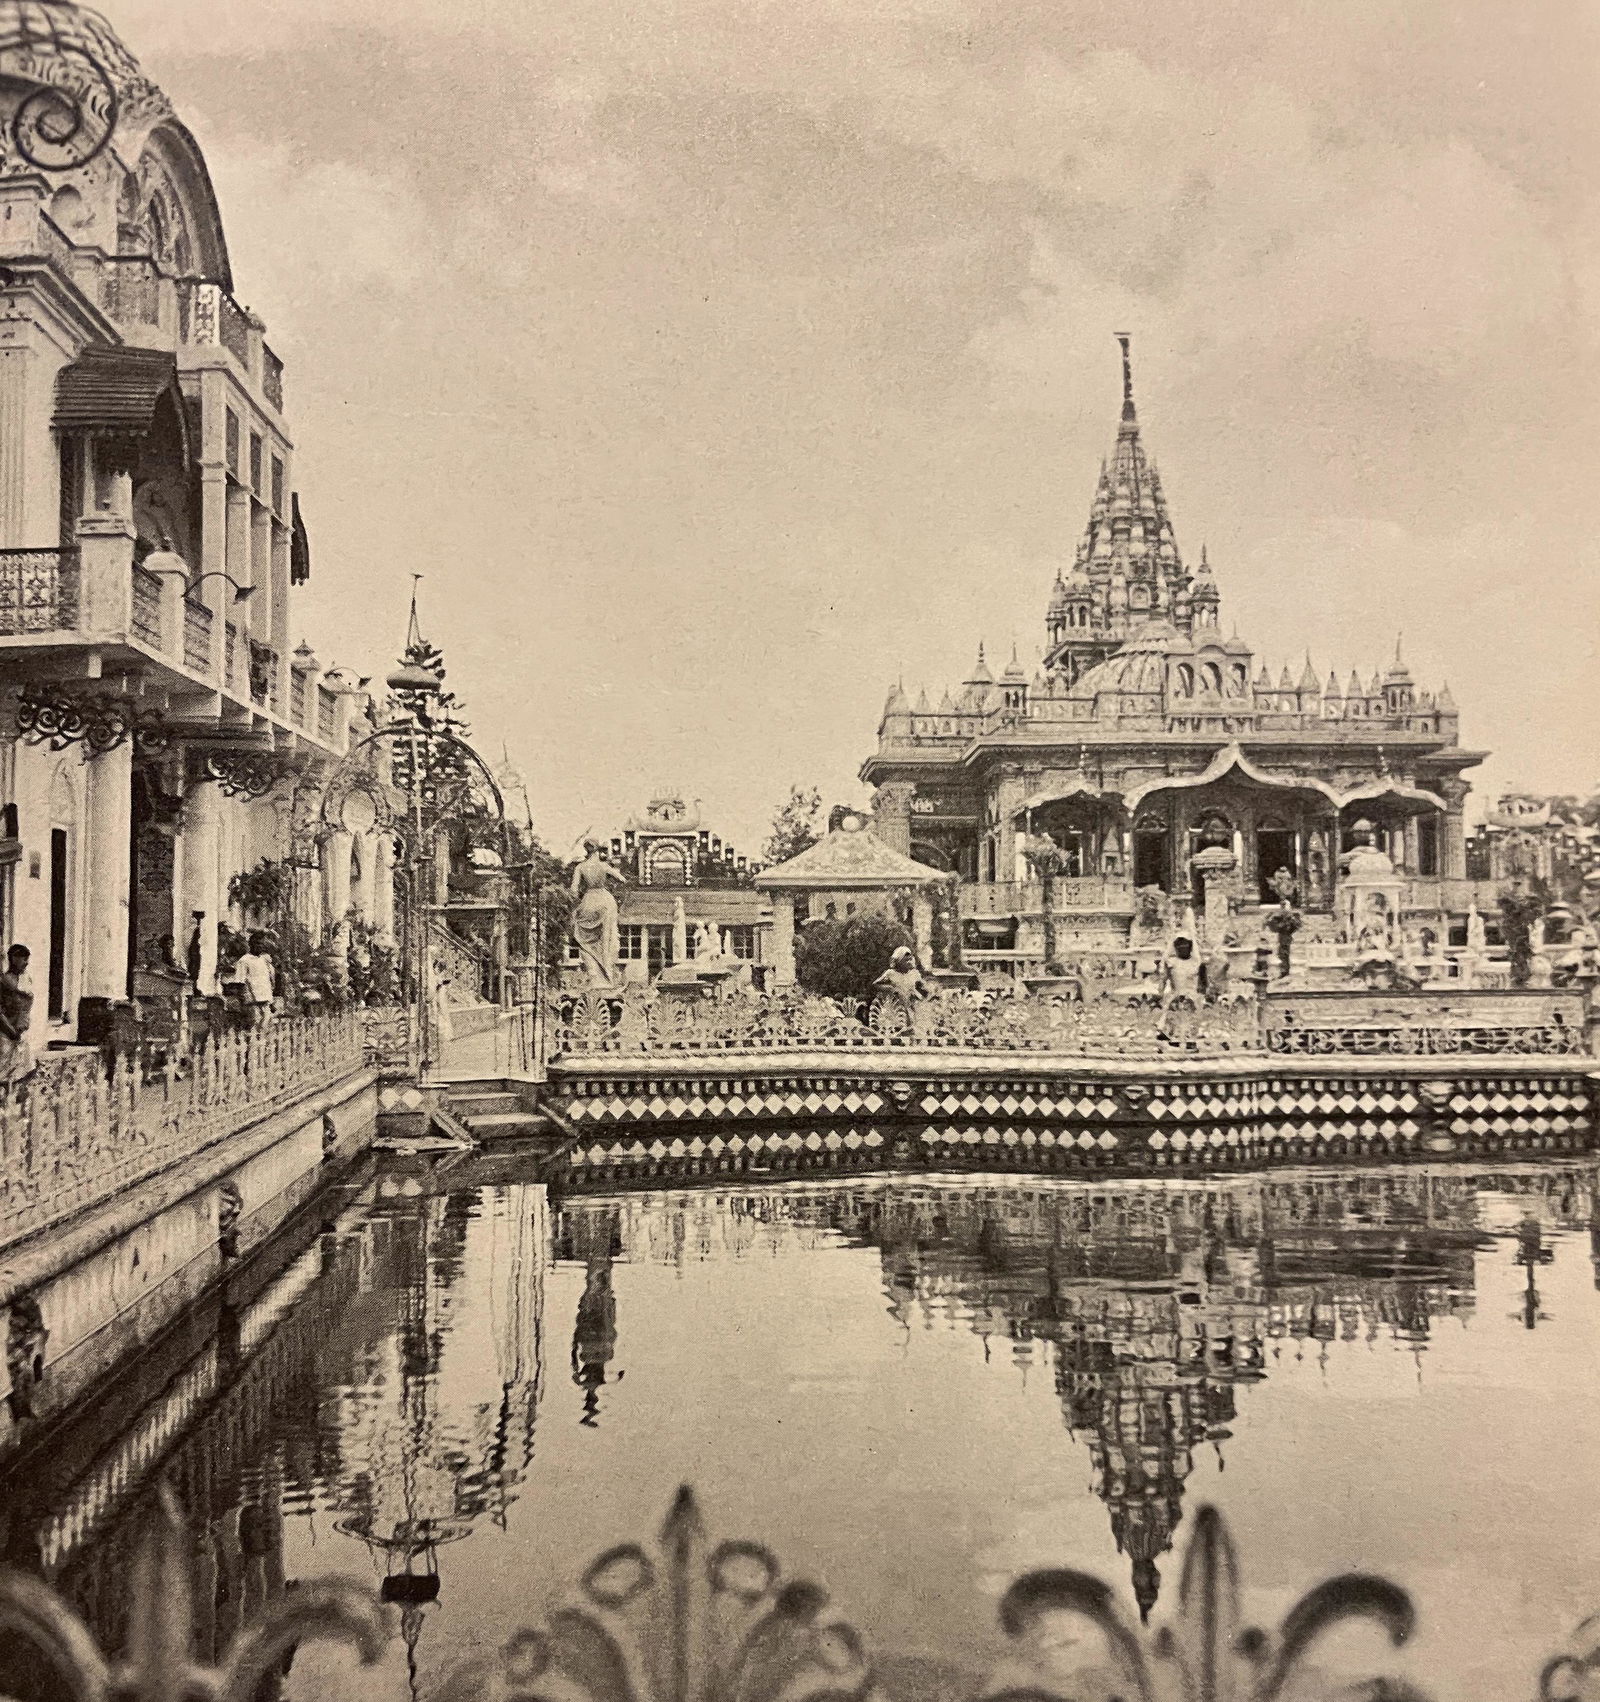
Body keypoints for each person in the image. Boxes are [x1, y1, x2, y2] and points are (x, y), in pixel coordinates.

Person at [569, 840, 625, 988]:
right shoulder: (603, 866)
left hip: (588, 900)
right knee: (606, 939)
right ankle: (607, 976)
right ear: (597, 850)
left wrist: (578, 903)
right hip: (605, 901)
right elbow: (622, 879)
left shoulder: (580, 867)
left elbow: (573, 890)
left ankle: (594, 976)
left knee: (586, 941)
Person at [0, 943, 34, 1085]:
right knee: (3, 1076)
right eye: (23, 959)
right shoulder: (3, 981)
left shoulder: (25, 980)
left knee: (26, 1072)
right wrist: (11, 1031)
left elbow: (24, 1008)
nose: (26, 963)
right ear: (13, 959)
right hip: (5, 1035)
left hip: (19, 1036)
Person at [234, 932, 276, 1028]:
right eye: (257, 944)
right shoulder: (244, 961)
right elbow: (240, 982)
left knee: (267, 1022)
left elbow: (267, 980)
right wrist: (247, 1001)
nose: (260, 947)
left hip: (265, 999)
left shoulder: (264, 960)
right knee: (254, 1023)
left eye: (262, 944)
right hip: (252, 1001)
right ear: (251, 944)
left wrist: (271, 1001)